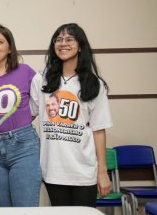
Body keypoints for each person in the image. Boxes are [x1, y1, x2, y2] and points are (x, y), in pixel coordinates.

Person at [30, 23, 112, 207]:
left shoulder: (94, 84)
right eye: (58, 39)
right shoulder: (41, 80)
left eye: (69, 39)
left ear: (80, 45)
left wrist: (102, 171)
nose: (62, 43)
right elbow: (28, 115)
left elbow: (99, 130)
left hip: (83, 171)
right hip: (52, 170)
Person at [0, 23, 41, 207]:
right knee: (0, 211)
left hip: (24, 149)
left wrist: (18, 124)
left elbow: (37, 105)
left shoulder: (25, 71)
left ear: (10, 48)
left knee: (25, 209)